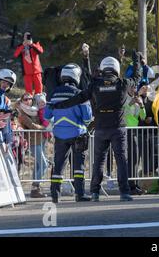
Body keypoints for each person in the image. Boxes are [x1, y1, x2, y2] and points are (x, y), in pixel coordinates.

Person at [50, 52, 141, 202]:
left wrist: (58, 105)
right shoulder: (123, 83)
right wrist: (136, 60)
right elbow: (137, 77)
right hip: (118, 128)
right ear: (117, 69)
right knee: (121, 160)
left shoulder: (95, 84)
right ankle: (124, 193)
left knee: (99, 161)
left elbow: (78, 98)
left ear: (103, 68)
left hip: (100, 128)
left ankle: (95, 193)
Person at [45, 64, 93, 203]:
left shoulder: (53, 94)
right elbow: (87, 118)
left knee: (58, 164)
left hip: (59, 134)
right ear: (76, 77)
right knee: (78, 166)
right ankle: (80, 194)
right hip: (78, 133)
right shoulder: (79, 93)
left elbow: (47, 115)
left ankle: (55, 195)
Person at [15, 92, 48, 198]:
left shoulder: (34, 110)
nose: (28, 100)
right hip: (33, 142)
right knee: (44, 164)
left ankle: (35, 190)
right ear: (21, 101)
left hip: (41, 140)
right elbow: (32, 125)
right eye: (25, 99)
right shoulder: (22, 113)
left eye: (29, 98)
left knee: (39, 165)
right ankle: (35, 185)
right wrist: (45, 128)